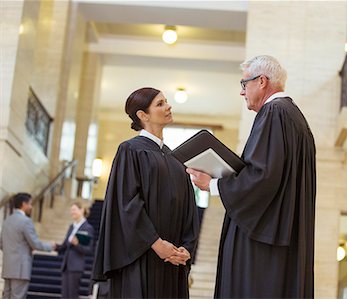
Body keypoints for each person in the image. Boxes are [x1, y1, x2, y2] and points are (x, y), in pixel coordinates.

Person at [187, 55, 316, 298]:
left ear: (262, 82)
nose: (242, 92)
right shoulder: (294, 117)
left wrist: (213, 184)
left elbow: (263, 175)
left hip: (263, 242)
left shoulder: (274, 113)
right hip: (282, 238)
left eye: (244, 84)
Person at [92, 87, 199, 298]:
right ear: (143, 115)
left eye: (166, 102)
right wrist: (157, 244)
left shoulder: (176, 159)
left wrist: (186, 248)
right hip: (141, 256)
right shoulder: (130, 150)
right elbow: (127, 203)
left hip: (173, 260)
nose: (168, 106)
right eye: (160, 104)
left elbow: (189, 207)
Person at [0, 193, 55, 299]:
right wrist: (50, 246)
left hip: (8, 267)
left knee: (6, 296)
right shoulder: (26, 221)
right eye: (30, 204)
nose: (31, 207)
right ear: (23, 204)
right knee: (18, 297)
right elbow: (35, 243)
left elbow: (2, 244)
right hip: (20, 269)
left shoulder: (7, 221)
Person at [56, 202, 95, 299]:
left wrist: (77, 244)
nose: (72, 212)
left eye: (74, 210)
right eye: (71, 210)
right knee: (65, 295)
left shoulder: (87, 228)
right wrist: (55, 247)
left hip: (76, 266)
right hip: (66, 266)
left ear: (81, 210)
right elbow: (65, 245)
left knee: (72, 295)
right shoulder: (71, 227)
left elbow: (89, 250)